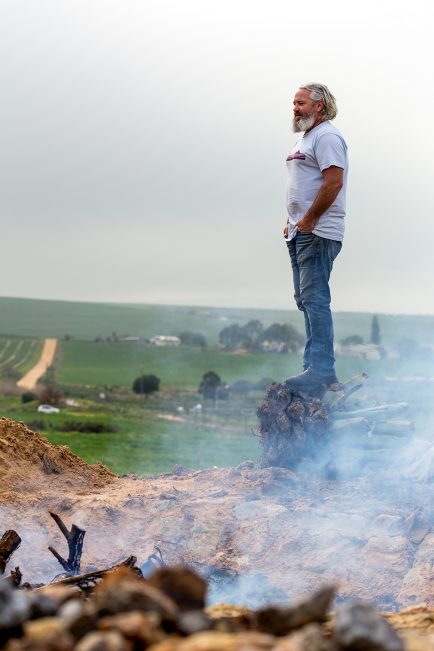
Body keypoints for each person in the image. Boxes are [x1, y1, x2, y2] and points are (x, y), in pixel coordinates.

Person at [283, 83, 348, 392]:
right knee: (305, 300)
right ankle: (315, 369)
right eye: (294, 103)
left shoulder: (327, 137)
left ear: (319, 106)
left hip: (319, 231)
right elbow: (303, 184)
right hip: (300, 231)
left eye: (301, 103)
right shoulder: (306, 138)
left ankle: (321, 370)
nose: (295, 108)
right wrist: (292, 221)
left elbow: (333, 182)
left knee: (315, 299)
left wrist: (309, 219)